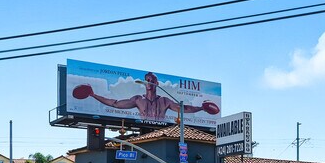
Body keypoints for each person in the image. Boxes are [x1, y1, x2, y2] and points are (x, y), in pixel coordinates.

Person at [73, 72, 218, 122]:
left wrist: (201, 108)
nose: (149, 82)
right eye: (146, 80)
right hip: (144, 135)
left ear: (156, 83)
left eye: (151, 80)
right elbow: (115, 104)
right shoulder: (138, 99)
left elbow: (183, 108)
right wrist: (93, 95)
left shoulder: (164, 100)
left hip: (163, 132)